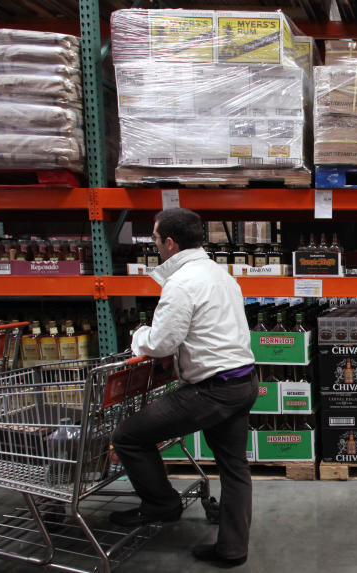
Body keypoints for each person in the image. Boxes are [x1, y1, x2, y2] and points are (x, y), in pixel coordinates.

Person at [110, 208, 257, 568]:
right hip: (244, 381)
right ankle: (232, 550)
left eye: (156, 239)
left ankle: (162, 504)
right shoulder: (219, 274)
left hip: (212, 389)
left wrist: (137, 336)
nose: (156, 245)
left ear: (170, 243)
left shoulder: (182, 282)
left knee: (128, 436)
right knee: (234, 467)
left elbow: (161, 342)